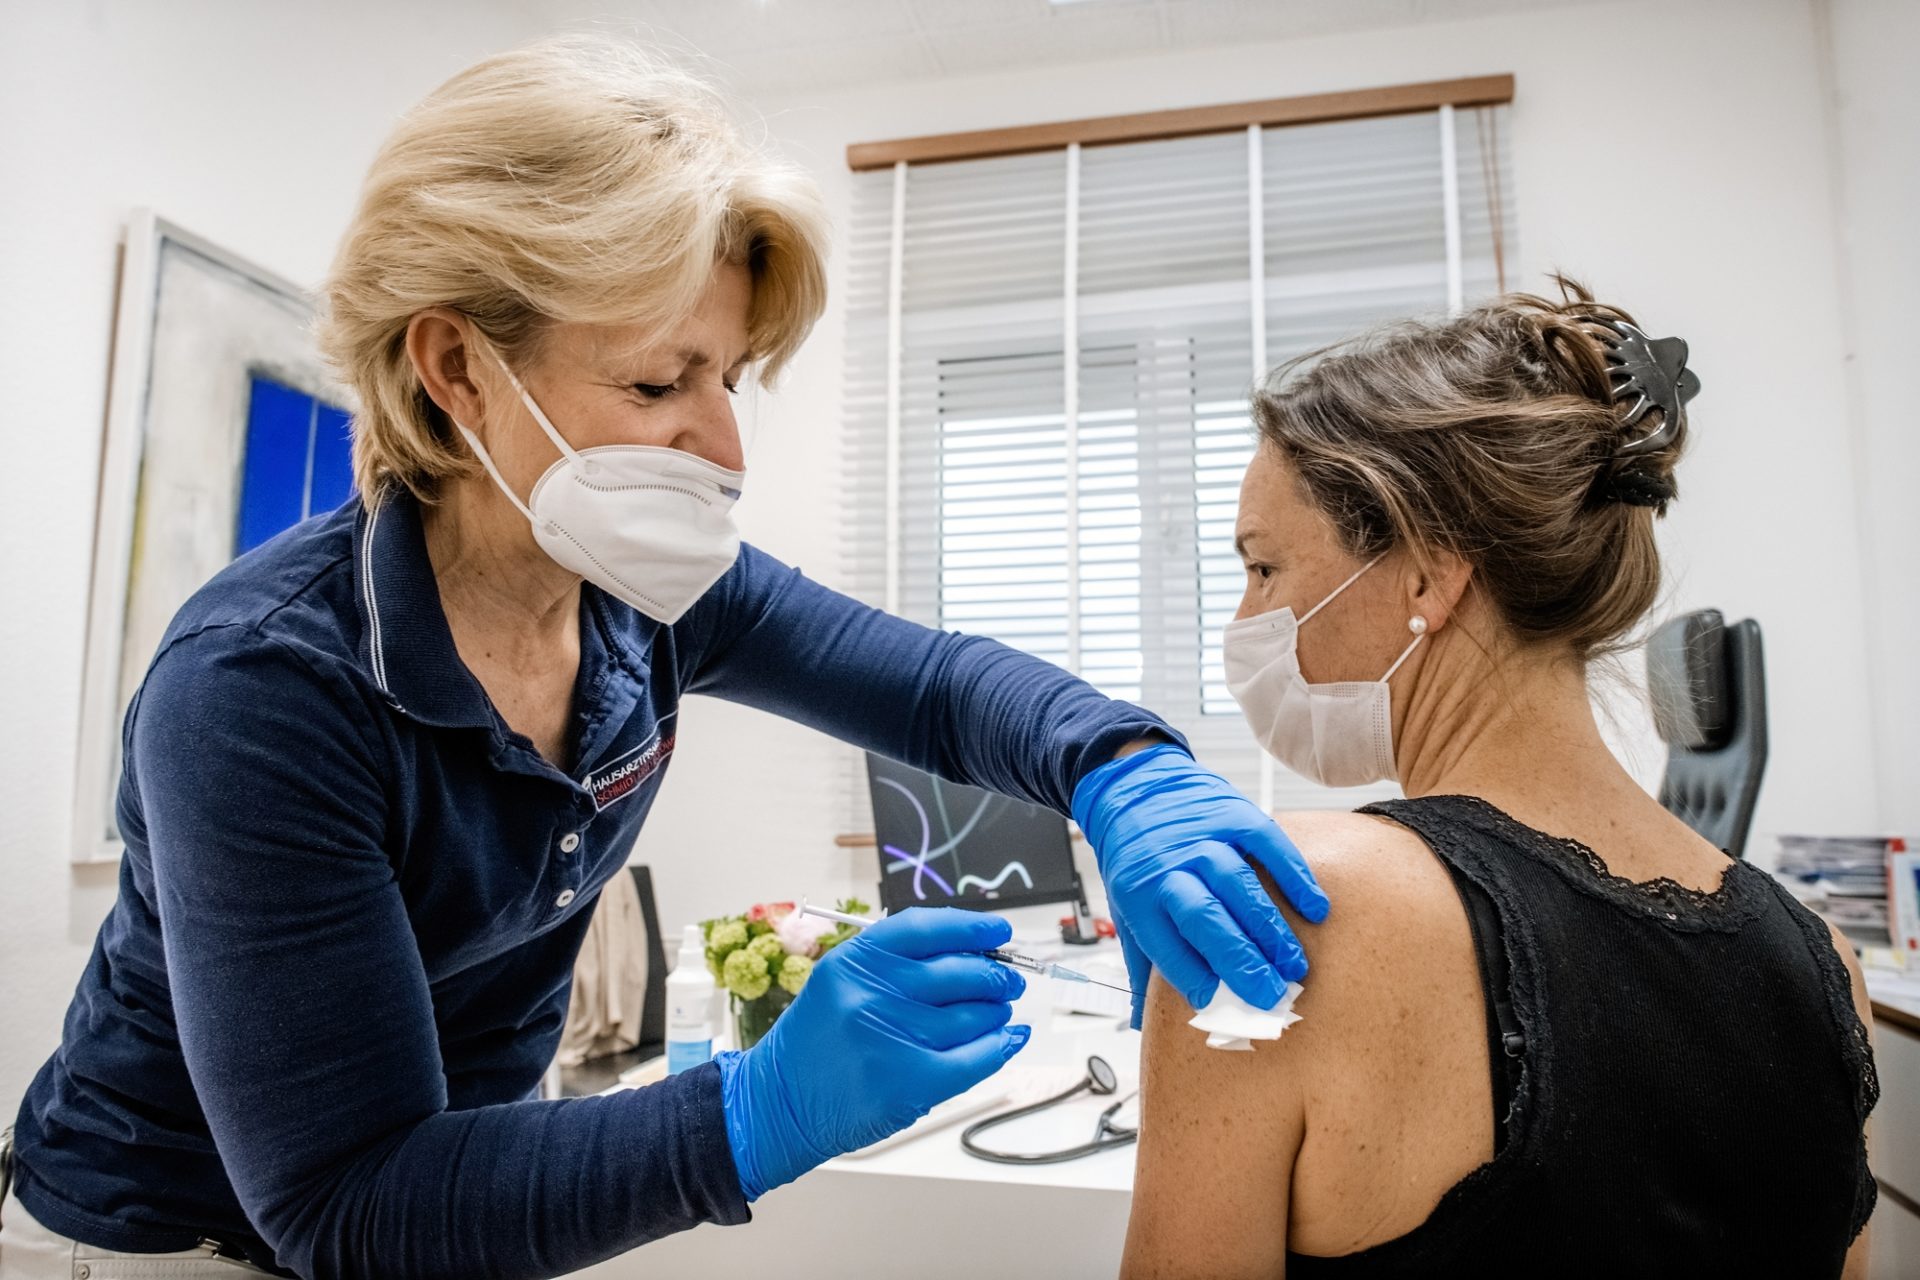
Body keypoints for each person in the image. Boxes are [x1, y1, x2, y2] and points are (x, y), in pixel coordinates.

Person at [0, 38, 1328, 1280]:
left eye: (729, 379)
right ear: (457, 365)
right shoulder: (262, 693)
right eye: (654, 386)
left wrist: (1119, 766)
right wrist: (756, 1113)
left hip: (453, 1183)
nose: (725, 450)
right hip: (168, 1238)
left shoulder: (646, 595)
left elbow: (929, 690)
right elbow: (346, 1200)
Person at [1122, 282, 1878, 1278]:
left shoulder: (1281, 911)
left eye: (1265, 570)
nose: (1243, 620)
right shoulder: (1824, 966)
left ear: (1428, 576)